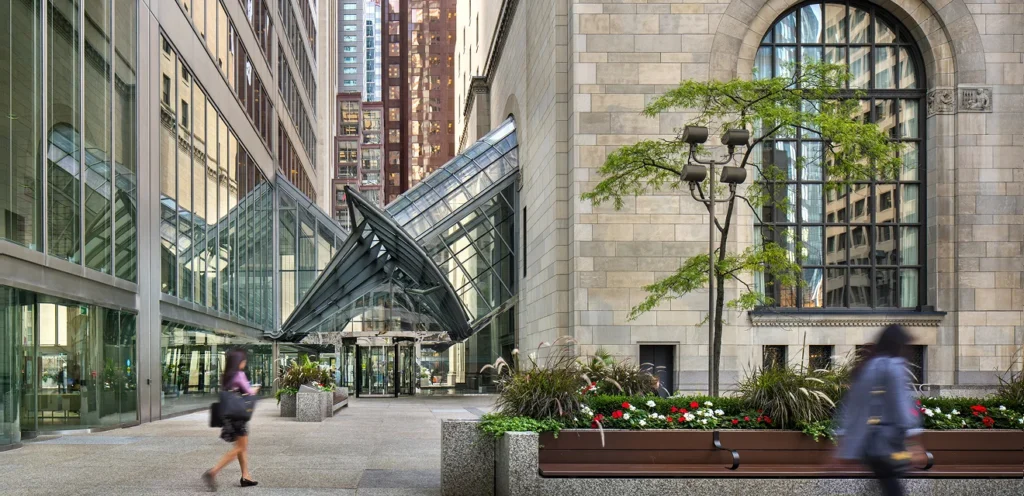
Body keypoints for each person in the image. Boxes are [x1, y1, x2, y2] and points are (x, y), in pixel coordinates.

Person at [835, 325, 926, 496]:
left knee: (887, 486)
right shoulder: (894, 368)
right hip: (889, 444)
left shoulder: (868, 367)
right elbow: (901, 405)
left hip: (871, 446)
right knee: (893, 490)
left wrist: (845, 442)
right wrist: (915, 443)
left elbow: (853, 407)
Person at [202, 349, 259, 491]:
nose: (245, 363)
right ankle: (213, 471)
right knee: (240, 447)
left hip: (230, 416)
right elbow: (249, 392)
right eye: (244, 360)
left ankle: (246, 476)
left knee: (242, 447)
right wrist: (256, 389)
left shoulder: (227, 376)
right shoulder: (239, 375)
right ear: (239, 362)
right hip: (239, 416)